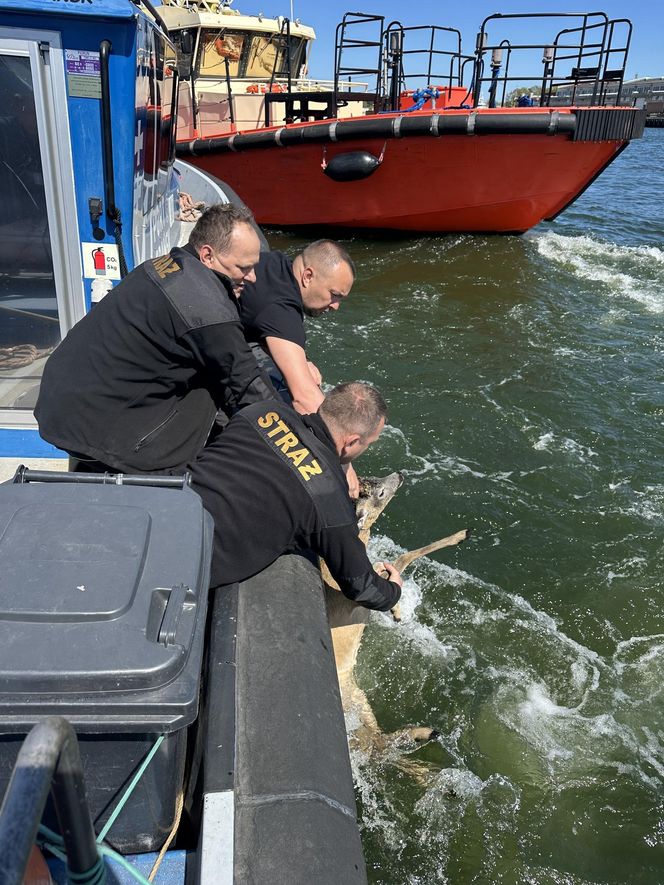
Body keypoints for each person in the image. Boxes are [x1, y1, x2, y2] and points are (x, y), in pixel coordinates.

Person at [35, 204, 278, 474]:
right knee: (215, 388)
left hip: (63, 403)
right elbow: (247, 383)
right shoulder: (207, 310)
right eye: (244, 267)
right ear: (208, 255)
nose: (253, 277)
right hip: (98, 431)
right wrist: (293, 438)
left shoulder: (163, 265)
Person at [188, 382, 403, 611]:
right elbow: (362, 586)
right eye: (368, 443)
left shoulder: (264, 411)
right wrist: (394, 590)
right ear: (350, 442)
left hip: (162, 505)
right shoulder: (330, 501)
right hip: (187, 562)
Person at [238, 240, 355, 416]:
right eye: (334, 295)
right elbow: (304, 397)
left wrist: (303, 360)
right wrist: (341, 438)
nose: (336, 306)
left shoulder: (276, 264)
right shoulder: (280, 309)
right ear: (308, 276)